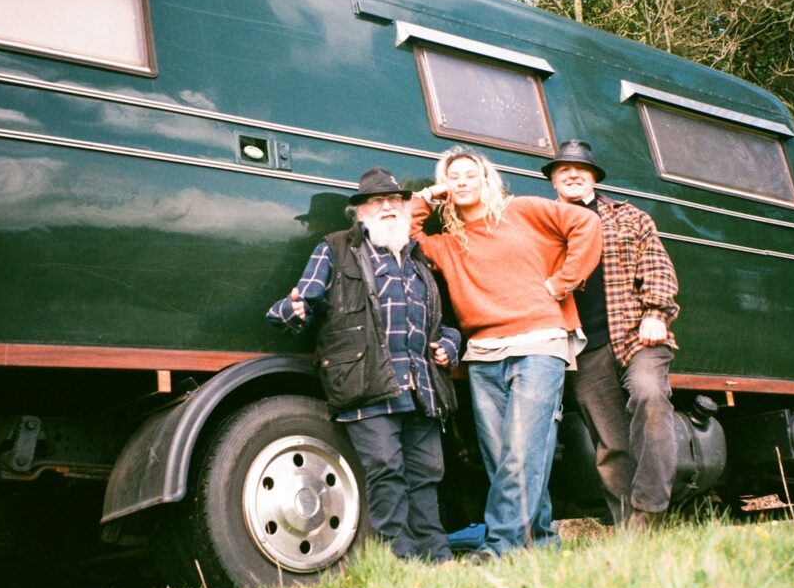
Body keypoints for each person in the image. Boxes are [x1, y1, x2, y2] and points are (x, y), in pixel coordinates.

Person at [410, 146, 602, 560]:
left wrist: (562, 283)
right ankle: (542, 543)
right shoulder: (447, 244)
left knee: (522, 450)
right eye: (452, 176)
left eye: (469, 174)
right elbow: (406, 239)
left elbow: (586, 224)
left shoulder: (522, 211)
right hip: (482, 353)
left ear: (486, 179)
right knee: (502, 459)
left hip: (538, 343)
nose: (461, 181)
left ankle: (501, 548)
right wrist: (428, 196)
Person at [266, 167, 460, 563]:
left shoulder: (418, 260)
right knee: (386, 471)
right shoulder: (335, 248)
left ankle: (438, 559)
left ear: (406, 209)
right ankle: (400, 561)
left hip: (420, 388)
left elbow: (444, 325)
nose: (387, 207)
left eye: (394, 200)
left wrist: (450, 347)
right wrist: (292, 310)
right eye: (376, 201)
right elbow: (297, 303)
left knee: (427, 475)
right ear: (360, 213)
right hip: (365, 384)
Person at [545, 139, 680, 530]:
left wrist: (655, 312)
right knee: (609, 443)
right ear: (553, 179)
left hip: (637, 336)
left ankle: (650, 509)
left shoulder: (629, 217)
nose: (572, 174)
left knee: (650, 397)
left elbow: (658, 267)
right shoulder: (545, 225)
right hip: (584, 346)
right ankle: (629, 529)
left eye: (580, 169)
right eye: (563, 169)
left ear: (593, 178)